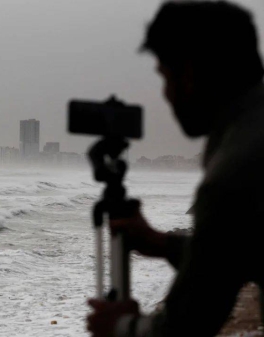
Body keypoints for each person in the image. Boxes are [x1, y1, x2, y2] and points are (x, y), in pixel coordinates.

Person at [86, 1, 264, 337]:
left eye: (165, 77)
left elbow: (188, 325)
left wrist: (121, 326)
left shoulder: (234, 175)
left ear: (190, 75)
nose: (165, 95)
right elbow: (233, 256)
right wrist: (162, 243)